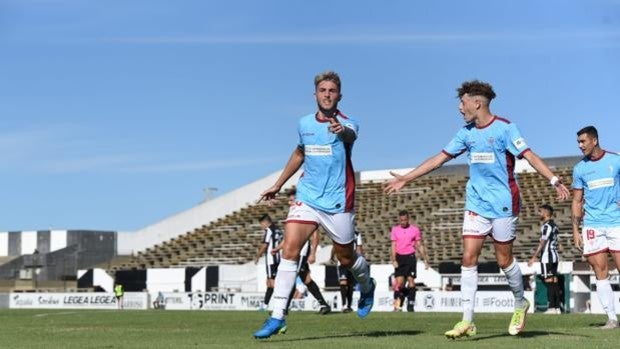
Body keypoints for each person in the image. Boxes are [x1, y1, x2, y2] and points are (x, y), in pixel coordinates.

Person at [384, 80, 569, 338]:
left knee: (504, 260)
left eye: (463, 102)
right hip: (476, 204)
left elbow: (529, 155)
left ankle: (520, 302)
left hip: (504, 203)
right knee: (468, 257)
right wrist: (407, 178)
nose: (460, 108)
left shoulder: (505, 128)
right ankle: (467, 321)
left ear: (477, 103)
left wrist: (553, 179)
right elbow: (439, 159)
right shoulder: (465, 133)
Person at [254, 71, 375, 339]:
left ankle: (367, 286)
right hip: (307, 196)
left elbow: (350, 135)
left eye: (332, 90)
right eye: (323, 90)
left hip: (337, 201)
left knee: (345, 258)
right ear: (315, 94)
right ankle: (277, 316)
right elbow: (300, 152)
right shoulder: (304, 123)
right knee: (289, 250)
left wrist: (340, 130)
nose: (327, 94)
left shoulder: (349, 123)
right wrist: (279, 183)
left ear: (339, 95)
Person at [571, 125, 620, 329]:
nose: (580, 146)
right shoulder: (579, 168)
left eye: (583, 141)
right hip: (592, 225)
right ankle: (611, 319)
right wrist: (575, 230)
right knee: (600, 270)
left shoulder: (616, 160)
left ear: (594, 140)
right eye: (578, 142)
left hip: (616, 223)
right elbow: (576, 200)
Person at [279, 189, 332, 315]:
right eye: (289, 200)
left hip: (301, 249)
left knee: (291, 274)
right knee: (306, 279)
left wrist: (313, 252)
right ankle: (324, 304)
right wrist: (279, 248)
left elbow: (315, 234)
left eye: (292, 200)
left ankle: (283, 308)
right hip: (296, 249)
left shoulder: (306, 212)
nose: (289, 202)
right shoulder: (292, 212)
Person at [390, 210, 430, 312]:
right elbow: (393, 245)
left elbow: (419, 245)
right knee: (400, 284)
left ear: (408, 219)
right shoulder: (395, 230)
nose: (403, 222)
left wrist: (425, 259)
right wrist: (394, 259)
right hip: (399, 257)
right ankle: (398, 304)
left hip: (410, 257)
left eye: (405, 220)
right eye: (401, 220)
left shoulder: (415, 230)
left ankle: (410, 306)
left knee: (411, 282)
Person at [528, 204, 562, 314]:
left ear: (546, 213)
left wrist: (534, 257)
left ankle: (551, 307)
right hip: (555, 256)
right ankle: (557, 307)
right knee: (554, 281)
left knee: (548, 281)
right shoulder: (555, 225)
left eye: (541, 211)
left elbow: (543, 241)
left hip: (547, 257)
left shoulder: (547, 226)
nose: (539, 213)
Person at [254, 214, 283, 309]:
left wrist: (258, 256)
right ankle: (265, 304)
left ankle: (280, 304)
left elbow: (265, 245)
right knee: (270, 282)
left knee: (273, 283)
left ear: (266, 222)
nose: (262, 227)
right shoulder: (278, 229)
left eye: (261, 224)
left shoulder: (269, 230)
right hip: (278, 258)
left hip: (271, 259)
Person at [331, 229, 364, 313]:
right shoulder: (340, 232)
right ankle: (344, 305)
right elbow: (335, 246)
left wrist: (359, 260)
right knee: (343, 282)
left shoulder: (356, 234)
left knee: (350, 284)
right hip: (342, 261)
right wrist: (332, 256)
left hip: (353, 262)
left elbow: (359, 248)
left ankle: (349, 305)